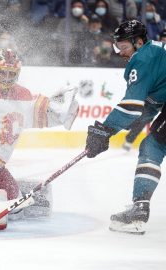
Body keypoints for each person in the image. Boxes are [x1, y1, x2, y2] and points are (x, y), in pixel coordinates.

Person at [0, 48, 79, 230]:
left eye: (12, 74)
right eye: (3, 72)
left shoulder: (22, 96)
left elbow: (48, 113)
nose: (7, 79)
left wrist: (65, 108)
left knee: (17, 211)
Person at [85, 19, 166, 234]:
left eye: (124, 47)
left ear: (139, 42)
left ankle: (140, 208)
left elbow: (131, 107)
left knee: (153, 147)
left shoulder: (141, 59)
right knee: (154, 143)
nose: (120, 53)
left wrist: (105, 130)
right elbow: (150, 104)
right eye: (117, 47)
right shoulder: (155, 53)